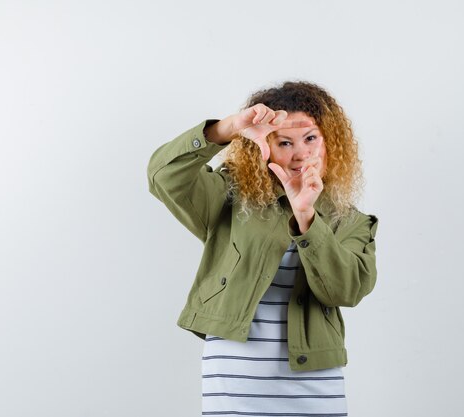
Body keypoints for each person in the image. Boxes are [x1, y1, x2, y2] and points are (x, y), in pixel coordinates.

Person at [147, 81, 379, 416]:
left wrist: (306, 217)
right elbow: (162, 176)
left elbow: (347, 290)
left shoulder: (351, 221)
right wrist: (227, 129)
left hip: (314, 385)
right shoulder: (231, 197)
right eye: (285, 142)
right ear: (263, 147)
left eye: (311, 138)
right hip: (235, 380)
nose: (300, 154)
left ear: (332, 142)